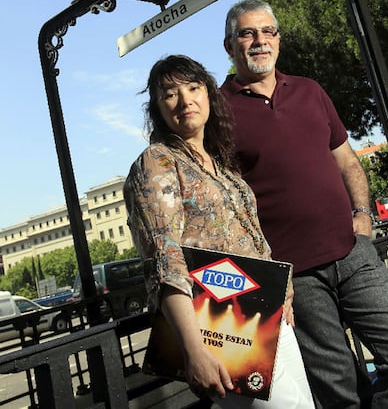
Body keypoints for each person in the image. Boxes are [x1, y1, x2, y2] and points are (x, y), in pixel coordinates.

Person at [221, 0, 388, 408]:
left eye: (268, 31)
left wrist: (363, 216)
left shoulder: (310, 90)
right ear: (229, 46)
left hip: (353, 253)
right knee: (339, 391)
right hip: (294, 277)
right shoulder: (218, 112)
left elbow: (347, 161)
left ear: (278, 39)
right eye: (247, 33)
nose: (260, 41)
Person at [123, 55, 315, 408]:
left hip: (265, 313)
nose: (185, 101)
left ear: (209, 94)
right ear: (157, 107)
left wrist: (283, 292)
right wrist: (193, 350)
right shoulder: (158, 161)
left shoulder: (220, 163)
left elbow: (251, 235)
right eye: (170, 93)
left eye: (194, 88)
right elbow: (166, 261)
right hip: (220, 326)